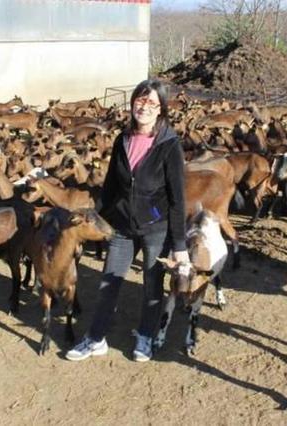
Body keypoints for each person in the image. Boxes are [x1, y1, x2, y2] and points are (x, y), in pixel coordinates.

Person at [66, 79, 189, 362]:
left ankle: (145, 335)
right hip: (122, 227)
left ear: (161, 110)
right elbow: (111, 186)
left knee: (152, 285)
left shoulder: (169, 145)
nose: (144, 107)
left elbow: (177, 198)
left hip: (155, 228)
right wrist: (99, 217)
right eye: (140, 101)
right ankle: (95, 338)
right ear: (133, 103)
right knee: (108, 282)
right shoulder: (123, 140)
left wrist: (179, 244)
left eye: (151, 103)